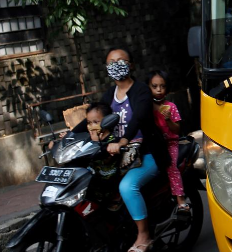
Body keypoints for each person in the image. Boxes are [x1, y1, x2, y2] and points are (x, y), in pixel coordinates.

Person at [72, 47, 169, 252]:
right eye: (111, 62)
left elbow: (140, 117)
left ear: (131, 65)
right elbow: (90, 119)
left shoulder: (141, 90)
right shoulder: (110, 95)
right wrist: (69, 136)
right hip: (118, 154)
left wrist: (124, 139)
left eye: (121, 61)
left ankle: (144, 235)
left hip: (146, 153)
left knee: (127, 187)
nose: (116, 65)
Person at [147, 70, 189, 213]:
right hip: (153, 144)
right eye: (154, 86)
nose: (159, 90)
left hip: (170, 143)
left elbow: (177, 129)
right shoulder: (146, 107)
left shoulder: (171, 107)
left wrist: (168, 119)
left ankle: (181, 200)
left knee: (171, 167)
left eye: (162, 86)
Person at [83, 102, 121, 207]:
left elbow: (106, 158)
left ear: (107, 122)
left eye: (96, 122)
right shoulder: (89, 139)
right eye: (89, 123)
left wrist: (96, 143)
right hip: (92, 185)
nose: (91, 126)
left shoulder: (113, 140)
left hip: (108, 185)